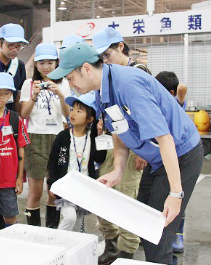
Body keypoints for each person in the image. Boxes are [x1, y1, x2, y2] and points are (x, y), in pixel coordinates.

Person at [48, 42, 203, 265]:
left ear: (86, 69)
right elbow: (119, 132)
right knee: (143, 225)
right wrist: (118, 170)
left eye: (70, 78)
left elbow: (165, 138)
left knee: (158, 237)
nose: (70, 85)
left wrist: (176, 193)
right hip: (157, 159)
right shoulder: (103, 90)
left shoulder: (128, 84)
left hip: (181, 156)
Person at [91, 27, 151, 263]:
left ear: (121, 47)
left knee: (127, 199)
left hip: (134, 145)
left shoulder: (139, 72)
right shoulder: (107, 75)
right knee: (103, 195)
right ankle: (111, 244)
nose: (105, 61)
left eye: (108, 54)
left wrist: (142, 148)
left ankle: (127, 254)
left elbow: (147, 116)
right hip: (111, 143)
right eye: (101, 58)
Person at [20, 43, 70, 228]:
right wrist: (33, 96)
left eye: (50, 62)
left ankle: (52, 230)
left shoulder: (64, 83)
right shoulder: (28, 84)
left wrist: (61, 94)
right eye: (42, 63)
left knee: (54, 191)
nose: (46, 67)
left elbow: (68, 114)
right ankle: (33, 232)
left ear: (57, 63)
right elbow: (24, 114)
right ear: (36, 65)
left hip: (58, 138)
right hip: (36, 138)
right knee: (35, 192)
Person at [0, 72, 30, 235]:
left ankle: (11, 249)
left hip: (8, 181)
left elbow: (21, 149)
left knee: (10, 218)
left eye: (6, 93)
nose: (1, 97)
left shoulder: (16, 119)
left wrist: (19, 179)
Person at [47, 93, 106, 232]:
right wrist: (51, 183)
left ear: (90, 118)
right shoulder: (63, 136)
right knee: (70, 217)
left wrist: (100, 136)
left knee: (78, 223)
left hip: (83, 187)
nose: (73, 113)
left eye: (79, 111)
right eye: (72, 109)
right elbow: (53, 161)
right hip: (65, 186)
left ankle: (73, 248)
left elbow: (99, 158)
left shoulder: (92, 137)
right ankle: (57, 242)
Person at [155, 71, 187, 256]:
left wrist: (174, 92)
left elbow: (182, 88)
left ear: (172, 93)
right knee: (161, 198)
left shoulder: (176, 104)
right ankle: (162, 232)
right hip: (161, 162)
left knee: (177, 200)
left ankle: (178, 234)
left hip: (180, 161)